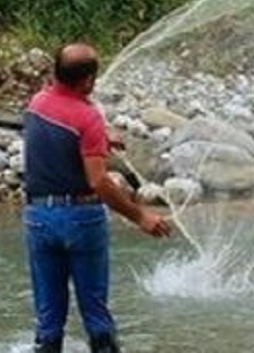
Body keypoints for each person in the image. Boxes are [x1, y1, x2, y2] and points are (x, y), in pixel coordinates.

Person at [22, 42, 172, 353]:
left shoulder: (36, 103)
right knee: (95, 314)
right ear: (88, 80)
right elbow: (99, 182)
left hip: (38, 219)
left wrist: (101, 138)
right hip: (81, 219)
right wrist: (140, 216)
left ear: (55, 72)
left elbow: (61, 126)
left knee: (48, 321)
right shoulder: (87, 117)